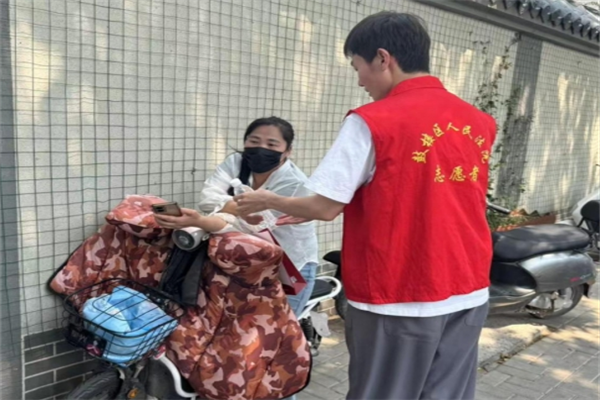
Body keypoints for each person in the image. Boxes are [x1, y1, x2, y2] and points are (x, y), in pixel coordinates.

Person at [234, 12, 497, 400]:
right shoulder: (478, 121)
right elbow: (422, 190)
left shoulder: (373, 120)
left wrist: (267, 199)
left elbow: (325, 207)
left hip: (401, 289)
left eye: (358, 67)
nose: (360, 81)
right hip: (469, 285)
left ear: (382, 58)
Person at [155, 116, 319, 334]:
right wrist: (238, 208)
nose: (261, 148)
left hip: (290, 263)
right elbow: (207, 199)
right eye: (254, 141)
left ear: (287, 151)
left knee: (280, 333)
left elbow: (253, 225)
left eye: (272, 144)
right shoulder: (236, 162)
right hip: (248, 259)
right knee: (243, 333)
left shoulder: (294, 182)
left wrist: (204, 219)